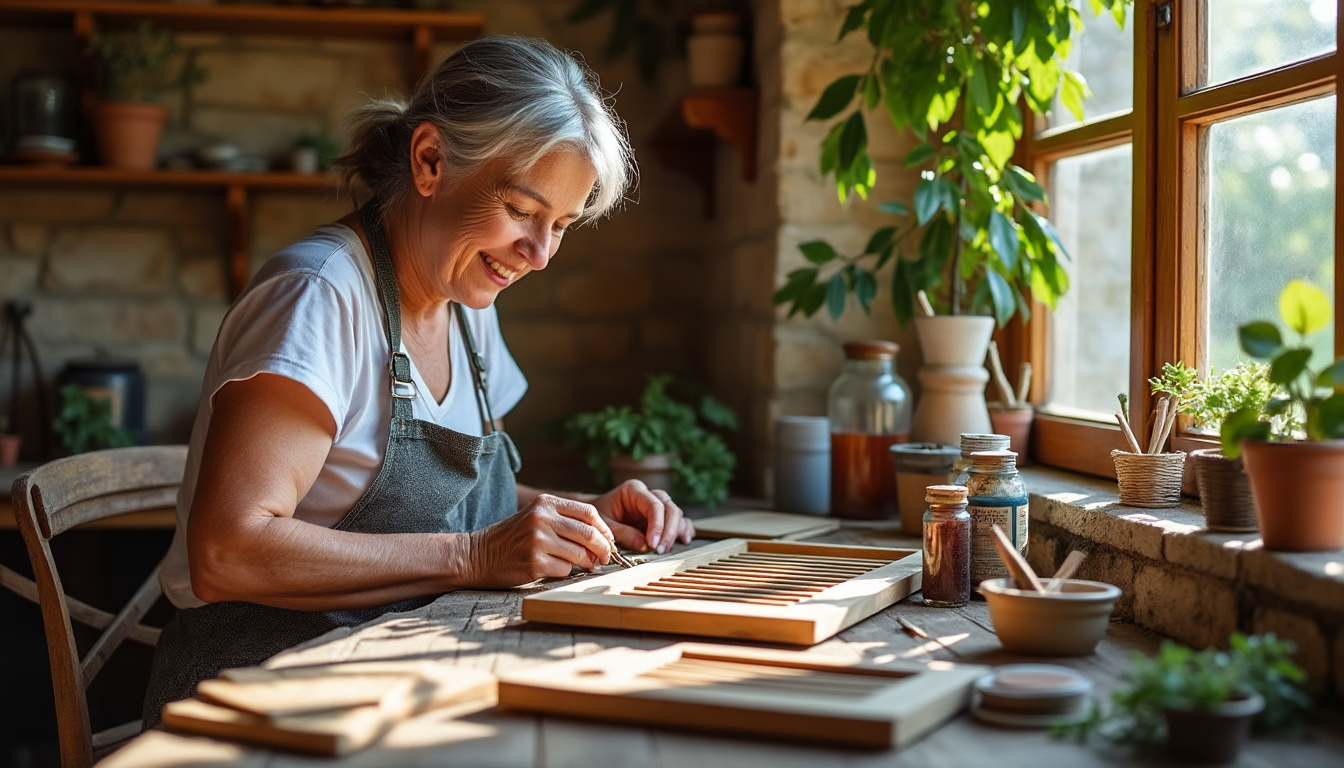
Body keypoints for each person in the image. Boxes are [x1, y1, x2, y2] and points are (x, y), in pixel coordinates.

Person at [143, 36, 693, 726]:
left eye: (561, 225)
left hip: (398, 673)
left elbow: (459, 497)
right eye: (522, 210)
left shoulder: (466, 303)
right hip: (258, 700)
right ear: (430, 160)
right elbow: (228, 550)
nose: (540, 255)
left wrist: (582, 519)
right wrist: (474, 556)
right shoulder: (319, 298)